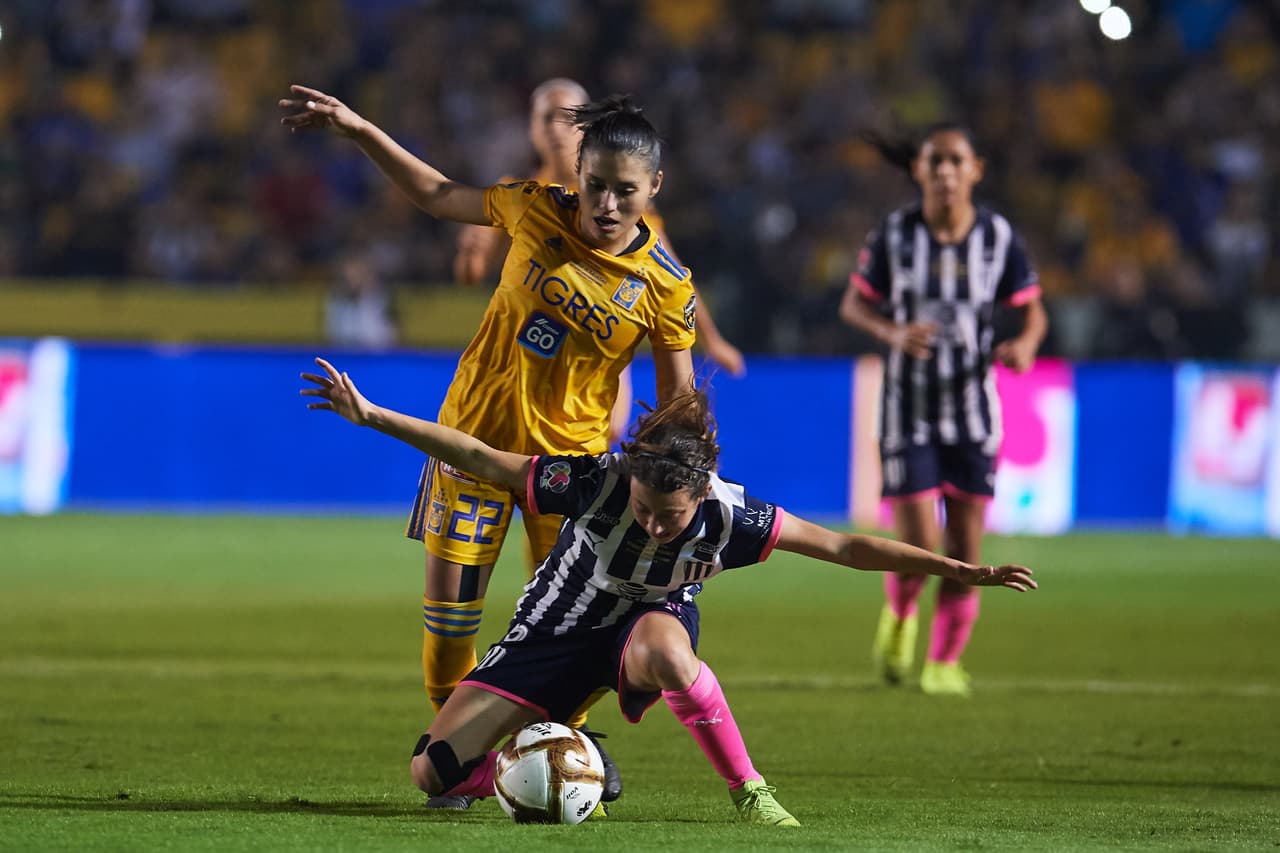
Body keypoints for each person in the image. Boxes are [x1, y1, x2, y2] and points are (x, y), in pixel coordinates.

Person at [299, 357, 1036, 826]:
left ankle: (750, 790)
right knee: (433, 774)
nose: (653, 523)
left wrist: (957, 569)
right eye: (645, 506)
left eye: (668, 514)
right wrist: (374, 417)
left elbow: (843, 544)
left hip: (645, 624)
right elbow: (482, 456)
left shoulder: (729, 513)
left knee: (666, 649)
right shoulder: (591, 480)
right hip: (554, 629)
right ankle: (563, 758)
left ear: (697, 496)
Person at [280, 85, 698, 808]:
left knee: (573, 634)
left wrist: (668, 491)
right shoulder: (532, 205)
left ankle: (572, 747)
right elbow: (440, 193)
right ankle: (466, 757)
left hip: (569, 477)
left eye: (623, 193)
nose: (604, 205)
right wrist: (358, 129)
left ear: (653, 188)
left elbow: (678, 406)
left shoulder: (665, 286)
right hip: (470, 449)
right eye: (594, 186)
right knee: (450, 626)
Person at [838, 121, 1048, 697]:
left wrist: (1026, 344)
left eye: (957, 161)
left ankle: (943, 661)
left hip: (974, 412)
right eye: (936, 162)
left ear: (976, 169)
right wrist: (892, 332)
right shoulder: (895, 235)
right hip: (907, 409)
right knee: (917, 548)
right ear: (919, 171)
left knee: (966, 549)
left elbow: (1033, 311)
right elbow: (853, 304)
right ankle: (901, 615)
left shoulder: (998, 238)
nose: (947, 172)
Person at [453, 78, 746, 444]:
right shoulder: (522, 195)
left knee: (604, 433)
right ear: (531, 128)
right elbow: (471, 277)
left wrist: (711, 339)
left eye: (567, 118)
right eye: (547, 119)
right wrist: (470, 253)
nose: (557, 130)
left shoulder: (625, 203)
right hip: (527, 346)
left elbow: (670, 272)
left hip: (595, 345)